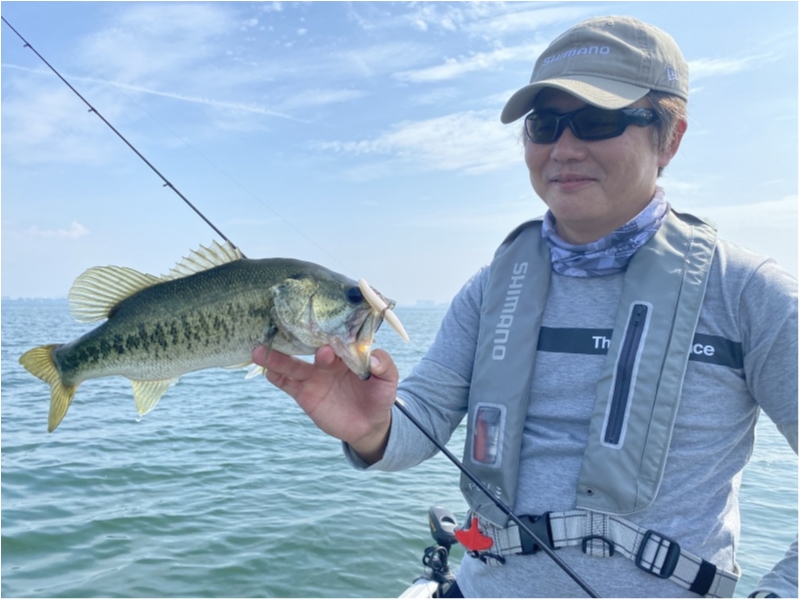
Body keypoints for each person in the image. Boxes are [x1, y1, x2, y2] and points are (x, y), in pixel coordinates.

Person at [252, 15, 798, 599]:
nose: (564, 148)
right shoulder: (490, 289)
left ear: (670, 138)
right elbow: (422, 419)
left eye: (598, 120)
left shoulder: (750, 293)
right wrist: (373, 428)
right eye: (545, 125)